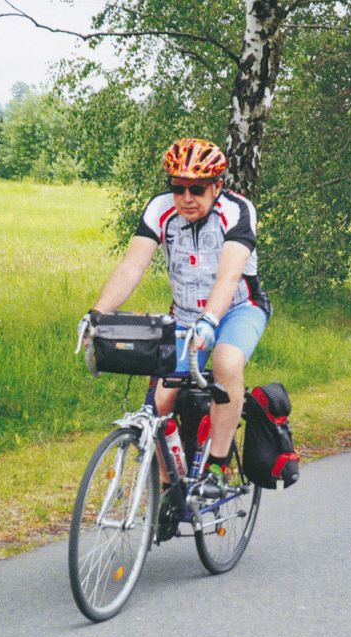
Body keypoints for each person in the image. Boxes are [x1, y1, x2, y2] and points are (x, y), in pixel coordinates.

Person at [83, 137, 271, 498]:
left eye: (197, 189)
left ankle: (216, 468)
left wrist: (210, 321)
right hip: (184, 315)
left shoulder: (238, 210)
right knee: (160, 402)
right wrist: (97, 314)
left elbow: (228, 277)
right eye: (178, 188)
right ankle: (170, 488)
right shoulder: (160, 209)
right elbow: (132, 266)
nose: (186, 197)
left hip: (239, 308)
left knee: (227, 362)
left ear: (217, 186)